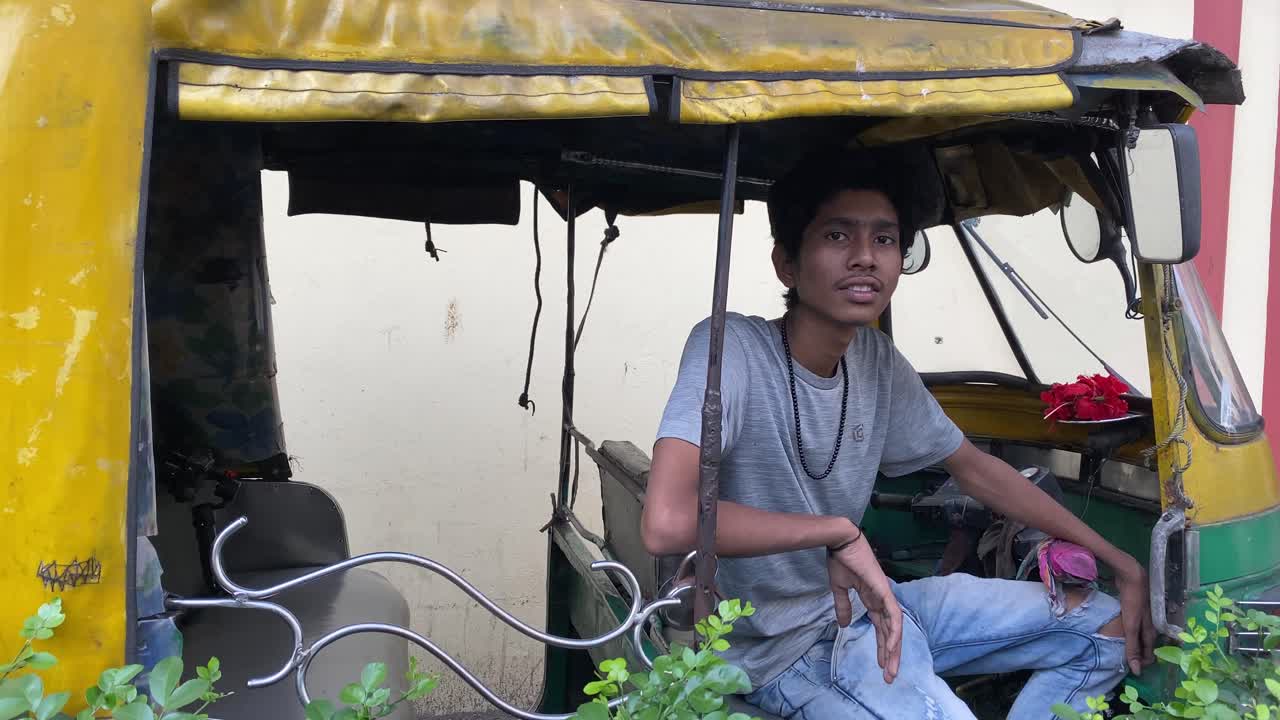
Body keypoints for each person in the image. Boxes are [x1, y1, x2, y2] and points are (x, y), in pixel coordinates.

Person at [640, 148, 1154, 719]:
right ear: (787, 263)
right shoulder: (731, 347)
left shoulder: (875, 360)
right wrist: (836, 533)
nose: (865, 257)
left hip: (876, 604)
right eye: (838, 235)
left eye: (884, 239)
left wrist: (1120, 561)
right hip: (785, 653)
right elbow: (667, 521)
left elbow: (976, 470)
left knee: (1105, 625)